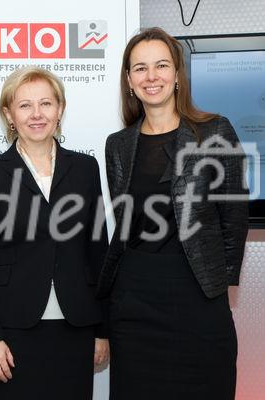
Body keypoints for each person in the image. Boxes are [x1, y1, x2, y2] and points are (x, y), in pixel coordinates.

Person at [97, 27, 249, 400]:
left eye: (161, 65)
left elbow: (234, 218)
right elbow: (126, 224)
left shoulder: (214, 130)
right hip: (134, 302)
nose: (152, 77)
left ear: (177, 75)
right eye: (141, 68)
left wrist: (217, 281)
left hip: (199, 299)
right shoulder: (118, 144)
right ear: (129, 80)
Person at [0, 66, 109, 400]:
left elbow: (97, 250)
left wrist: (103, 329)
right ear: (9, 115)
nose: (37, 114)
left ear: (60, 110)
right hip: (9, 330)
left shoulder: (85, 169)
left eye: (46, 103)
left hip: (76, 326)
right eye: (25, 105)